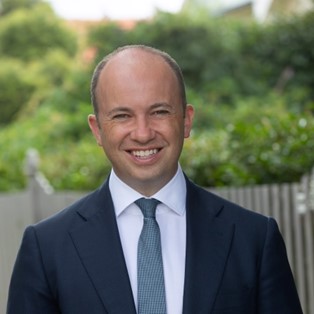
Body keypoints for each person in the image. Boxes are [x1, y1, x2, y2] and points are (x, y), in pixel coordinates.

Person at [7, 45, 303, 314]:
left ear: (186, 120)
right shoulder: (47, 248)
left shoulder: (253, 239)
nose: (143, 132)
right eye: (122, 116)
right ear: (97, 130)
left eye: (159, 111)